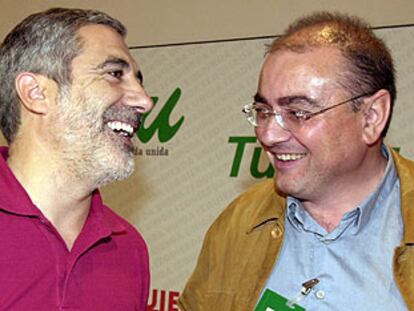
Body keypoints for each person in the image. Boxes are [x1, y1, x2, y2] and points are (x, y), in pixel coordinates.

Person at [179, 12, 414, 311]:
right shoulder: (239, 222)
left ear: (371, 116)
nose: (268, 134)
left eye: (299, 112)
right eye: (263, 111)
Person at [0, 8, 153, 310]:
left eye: (138, 79)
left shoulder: (129, 248)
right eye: (114, 74)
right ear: (36, 92)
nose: (145, 100)